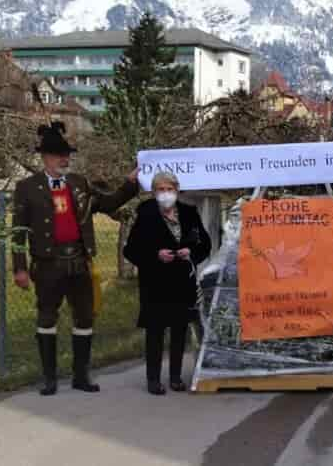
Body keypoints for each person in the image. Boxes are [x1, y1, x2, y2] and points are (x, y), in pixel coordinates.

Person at [12, 122, 140, 395]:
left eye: (67, 154)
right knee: (47, 319)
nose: (65, 159)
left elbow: (108, 204)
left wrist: (129, 185)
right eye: (59, 155)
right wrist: (19, 269)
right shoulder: (27, 188)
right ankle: (49, 378)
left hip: (79, 262)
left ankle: (81, 375)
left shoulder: (78, 183)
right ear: (45, 157)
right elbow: (17, 233)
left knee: (84, 318)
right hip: (47, 264)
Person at [124, 172, 211, 395]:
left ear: (177, 190)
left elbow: (205, 244)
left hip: (182, 281)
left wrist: (190, 252)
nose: (165, 194)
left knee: (180, 329)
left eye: (169, 189)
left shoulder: (189, 213)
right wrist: (155, 255)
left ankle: (175, 377)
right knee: (155, 330)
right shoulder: (146, 214)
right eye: (160, 190)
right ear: (154, 192)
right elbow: (131, 250)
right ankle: (153, 379)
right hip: (155, 282)